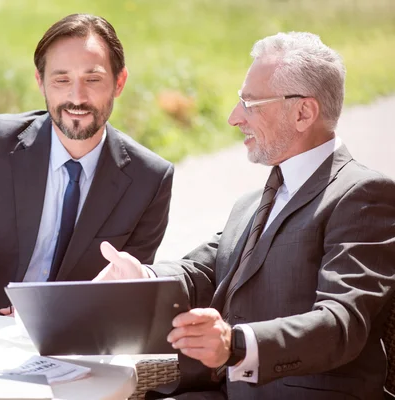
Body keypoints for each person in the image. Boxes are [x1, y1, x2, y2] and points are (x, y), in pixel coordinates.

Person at [95, 32, 395, 399]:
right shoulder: (253, 202)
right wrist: (141, 274)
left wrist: (236, 344)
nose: (234, 117)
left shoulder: (363, 195)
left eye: (250, 103)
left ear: (303, 112)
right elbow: (204, 270)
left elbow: (340, 323)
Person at [0, 14, 174, 316]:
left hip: (58, 347)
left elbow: (127, 289)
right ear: (40, 82)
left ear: (119, 82)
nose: (76, 97)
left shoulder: (150, 180)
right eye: (61, 79)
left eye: (93, 79)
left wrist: (54, 316)